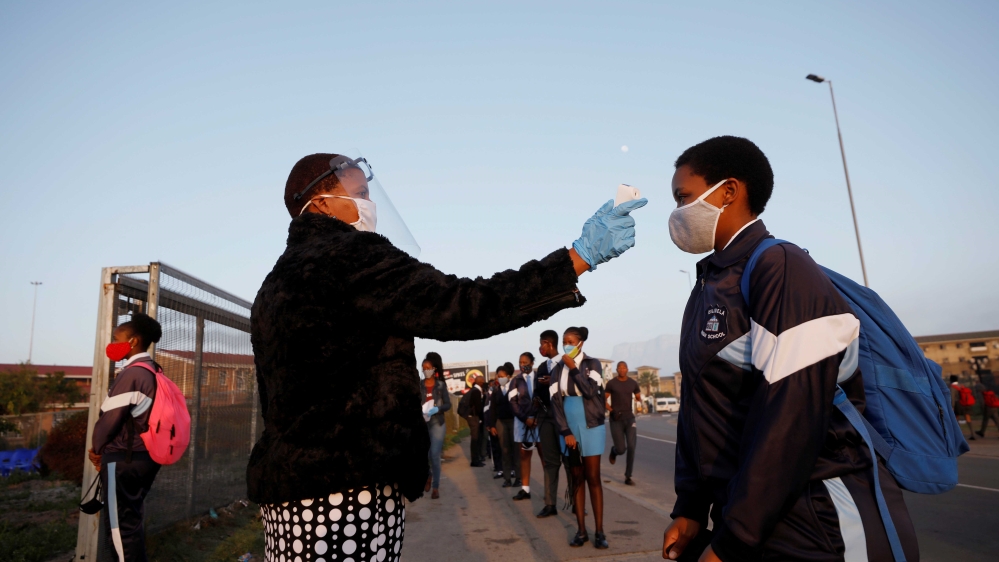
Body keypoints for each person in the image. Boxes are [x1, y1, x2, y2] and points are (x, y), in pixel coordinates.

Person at [249, 152, 646, 562]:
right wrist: (574, 260)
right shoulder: (352, 257)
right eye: (361, 192)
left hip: (286, 498)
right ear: (322, 203)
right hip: (348, 489)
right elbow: (466, 304)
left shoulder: (272, 287)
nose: (370, 203)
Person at [661, 136, 918, 562]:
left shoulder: (780, 267)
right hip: (748, 515)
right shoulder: (710, 284)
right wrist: (690, 507)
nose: (678, 213)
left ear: (728, 191)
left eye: (683, 197)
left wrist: (734, 539)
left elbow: (793, 414)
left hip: (817, 519)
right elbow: (697, 406)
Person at [88, 313, 163, 562]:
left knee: (121, 530)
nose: (112, 343)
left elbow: (109, 419)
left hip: (124, 458)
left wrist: (96, 448)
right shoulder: (154, 370)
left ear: (132, 341)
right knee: (131, 523)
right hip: (146, 456)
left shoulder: (132, 375)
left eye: (116, 338)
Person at [550, 326, 609, 549]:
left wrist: (574, 368)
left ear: (580, 343)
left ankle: (600, 532)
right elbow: (555, 402)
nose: (567, 344)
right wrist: (565, 431)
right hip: (569, 426)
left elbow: (591, 391)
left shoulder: (592, 363)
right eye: (564, 340)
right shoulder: (557, 368)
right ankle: (581, 530)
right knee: (576, 479)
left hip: (592, 424)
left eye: (570, 341)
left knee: (593, 477)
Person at [534, 330, 563, 518]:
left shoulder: (566, 363)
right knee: (550, 462)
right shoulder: (543, 366)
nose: (540, 348)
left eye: (541, 344)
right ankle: (550, 503)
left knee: (570, 463)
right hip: (545, 418)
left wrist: (552, 381)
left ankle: (575, 503)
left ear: (548, 343)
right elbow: (537, 391)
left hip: (564, 419)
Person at [509, 352, 541, 500]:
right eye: (520, 362)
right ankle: (525, 489)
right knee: (524, 455)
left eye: (525, 362)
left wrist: (536, 418)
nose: (522, 365)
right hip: (522, 422)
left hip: (539, 422)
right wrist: (524, 418)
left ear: (532, 363)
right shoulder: (516, 381)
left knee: (544, 455)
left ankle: (549, 492)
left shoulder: (539, 379)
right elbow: (513, 402)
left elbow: (544, 399)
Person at [605, 361, 641, 485]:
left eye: (624, 367)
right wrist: (611, 410)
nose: (621, 369)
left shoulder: (633, 383)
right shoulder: (611, 383)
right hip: (616, 419)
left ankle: (628, 476)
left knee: (631, 446)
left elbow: (638, 396)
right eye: (619, 368)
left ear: (627, 369)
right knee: (621, 449)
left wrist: (639, 400)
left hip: (630, 418)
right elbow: (603, 400)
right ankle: (614, 451)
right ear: (617, 369)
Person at [421, 352, 451, 500]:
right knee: (425, 455)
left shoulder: (440, 385)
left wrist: (438, 409)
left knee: (434, 454)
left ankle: (435, 487)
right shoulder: (419, 386)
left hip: (437, 422)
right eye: (423, 368)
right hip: (423, 423)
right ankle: (429, 475)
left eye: (428, 368)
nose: (426, 370)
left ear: (433, 369)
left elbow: (448, 404)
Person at [486, 364, 518, 486]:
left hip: (514, 421)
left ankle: (518, 477)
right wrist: (492, 425)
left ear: (508, 376)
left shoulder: (514, 389)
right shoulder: (496, 392)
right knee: (504, 450)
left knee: (515, 450)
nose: (499, 379)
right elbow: (493, 409)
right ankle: (507, 478)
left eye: (502, 376)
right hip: (501, 423)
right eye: (498, 376)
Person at [466, 375, 488, 467]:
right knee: (475, 439)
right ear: (481, 382)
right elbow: (478, 407)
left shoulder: (474, 390)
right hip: (474, 417)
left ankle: (476, 459)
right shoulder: (476, 392)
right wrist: (482, 418)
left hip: (472, 416)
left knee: (476, 438)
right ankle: (475, 460)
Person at [951, 376, 976, 440]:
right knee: (968, 419)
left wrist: (952, 406)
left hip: (958, 404)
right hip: (966, 404)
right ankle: (972, 434)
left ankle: (959, 436)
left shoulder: (952, 388)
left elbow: (952, 398)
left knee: (956, 419)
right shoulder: (961, 386)